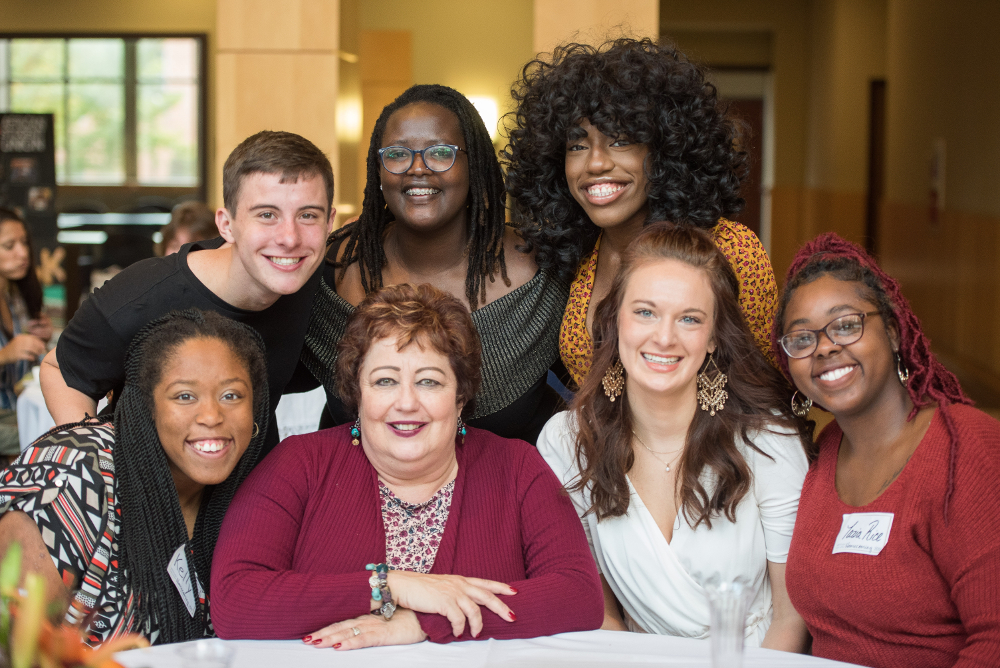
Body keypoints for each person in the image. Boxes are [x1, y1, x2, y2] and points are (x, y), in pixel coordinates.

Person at [212, 283, 603, 648]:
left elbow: (579, 597)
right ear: (356, 392)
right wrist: (388, 587)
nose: (406, 403)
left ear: (461, 395)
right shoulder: (299, 464)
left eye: (429, 382)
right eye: (384, 381)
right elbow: (234, 600)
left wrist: (421, 623)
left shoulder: (517, 467)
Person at [537, 224, 811, 650]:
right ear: (614, 320)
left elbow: (791, 619)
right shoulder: (568, 440)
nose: (664, 338)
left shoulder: (766, 439)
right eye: (645, 312)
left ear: (715, 336)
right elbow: (599, 608)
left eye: (689, 318)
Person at [774, 233, 1000, 668]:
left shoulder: (965, 450)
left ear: (894, 332)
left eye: (846, 325)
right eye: (802, 339)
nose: (824, 347)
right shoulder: (826, 451)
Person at [296, 84, 567, 445]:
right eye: (396, 154)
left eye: (441, 153)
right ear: (378, 168)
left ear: (476, 164)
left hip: (508, 495)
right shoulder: (334, 267)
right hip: (358, 494)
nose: (417, 169)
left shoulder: (542, 275)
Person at [41, 130, 334, 459]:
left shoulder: (312, 277)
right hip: (150, 492)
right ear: (226, 225)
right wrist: (100, 468)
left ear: (329, 223)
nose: (289, 238)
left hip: (248, 491)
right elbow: (62, 371)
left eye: (308, 215)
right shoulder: (146, 293)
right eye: (267, 215)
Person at [503, 38, 777, 389]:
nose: (596, 162)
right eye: (577, 145)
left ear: (664, 149)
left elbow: (768, 387)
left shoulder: (730, 250)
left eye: (620, 140)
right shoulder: (575, 255)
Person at [0, 309, 268, 645]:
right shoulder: (74, 472)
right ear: (146, 406)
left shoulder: (251, 493)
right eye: (185, 396)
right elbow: (14, 650)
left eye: (231, 395)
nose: (212, 416)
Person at [0, 208, 51, 457]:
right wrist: (4, 355)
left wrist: (43, 338)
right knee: (46, 433)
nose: (23, 253)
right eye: (9, 246)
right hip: (9, 413)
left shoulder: (15, 295)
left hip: (16, 405)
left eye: (24, 243)